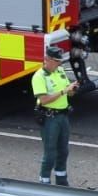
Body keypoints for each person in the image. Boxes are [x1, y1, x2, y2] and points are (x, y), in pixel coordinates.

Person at [30, 45, 79, 186]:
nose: (59, 64)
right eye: (56, 61)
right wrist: (64, 91)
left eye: (60, 61)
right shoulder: (39, 77)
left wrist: (72, 90)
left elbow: (68, 92)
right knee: (50, 153)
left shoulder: (60, 71)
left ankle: (61, 180)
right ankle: (44, 181)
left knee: (63, 151)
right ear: (47, 59)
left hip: (63, 116)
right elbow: (44, 99)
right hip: (50, 118)